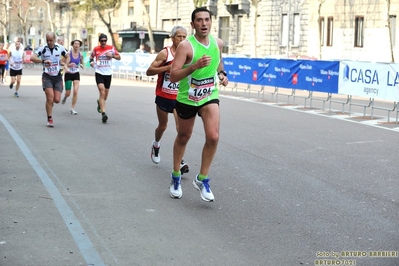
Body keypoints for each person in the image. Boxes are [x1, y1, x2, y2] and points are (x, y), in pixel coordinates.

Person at [168, 7, 229, 201]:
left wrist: (222, 74)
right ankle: (176, 175)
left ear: (211, 22)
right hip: (187, 98)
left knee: (213, 136)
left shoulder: (217, 43)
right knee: (184, 136)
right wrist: (194, 66)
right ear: (193, 24)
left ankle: (202, 179)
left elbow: (219, 61)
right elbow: (173, 75)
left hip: (209, 94)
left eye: (207, 20)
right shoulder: (186, 46)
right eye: (199, 20)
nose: (204, 23)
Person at [146, 25, 189, 174]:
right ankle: (156, 144)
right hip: (163, 95)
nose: (182, 39)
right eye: (179, 36)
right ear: (172, 38)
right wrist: (165, 69)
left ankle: (180, 161)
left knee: (181, 130)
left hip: (180, 97)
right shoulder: (165, 54)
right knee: (163, 126)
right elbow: (149, 71)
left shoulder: (188, 54)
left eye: (184, 37)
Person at [30, 32, 68, 127]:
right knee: (50, 97)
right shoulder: (43, 48)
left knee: (57, 99)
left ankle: (50, 104)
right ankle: (49, 118)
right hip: (47, 76)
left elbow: (68, 56)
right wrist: (43, 61)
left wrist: (65, 64)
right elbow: (32, 57)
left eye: (51, 40)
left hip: (58, 76)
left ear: (55, 39)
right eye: (47, 40)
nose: (49, 42)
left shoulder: (60, 48)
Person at [89, 33, 121, 123]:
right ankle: (103, 114)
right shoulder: (96, 49)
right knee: (102, 91)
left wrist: (112, 56)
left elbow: (119, 57)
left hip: (108, 73)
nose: (103, 42)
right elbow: (91, 57)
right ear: (99, 41)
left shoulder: (111, 48)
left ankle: (100, 102)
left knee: (105, 96)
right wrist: (91, 62)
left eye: (105, 41)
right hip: (99, 72)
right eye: (102, 41)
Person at [61, 39, 84, 115]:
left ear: (79, 46)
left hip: (76, 73)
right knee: (68, 93)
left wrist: (81, 65)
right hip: (68, 73)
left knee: (76, 91)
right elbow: (61, 62)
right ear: (72, 45)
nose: (76, 45)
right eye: (75, 44)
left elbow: (81, 62)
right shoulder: (68, 54)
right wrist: (67, 65)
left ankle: (72, 108)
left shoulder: (80, 55)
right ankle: (65, 96)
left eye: (78, 44)